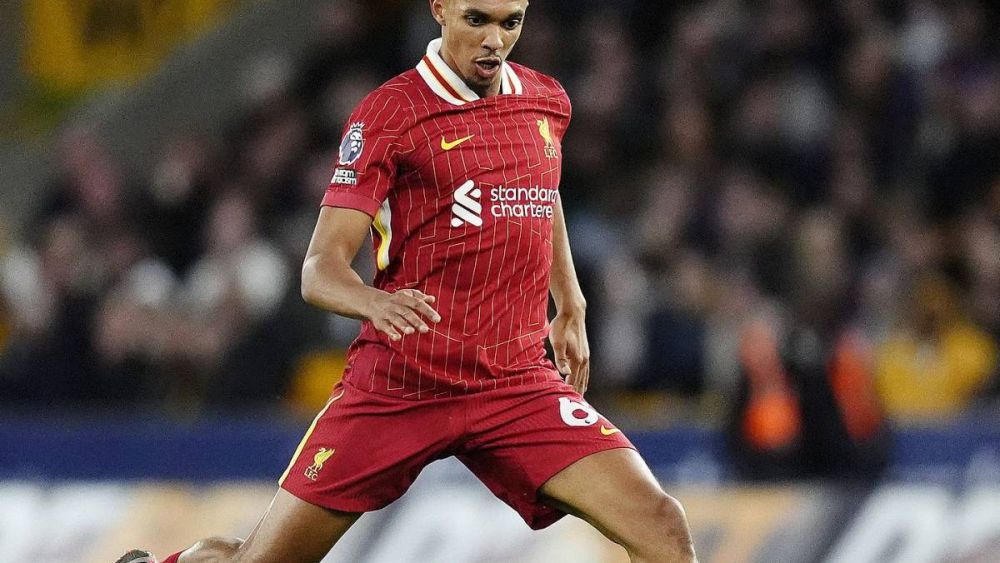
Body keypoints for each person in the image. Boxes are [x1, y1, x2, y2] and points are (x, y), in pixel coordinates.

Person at [119, 1, 697, 561]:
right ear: (439, 8)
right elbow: (319, 270)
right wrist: (375, 302)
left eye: (510, 22)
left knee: (661, 527)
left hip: (515, 381)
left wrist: (570, 298)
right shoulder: (391, 114)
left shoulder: (546, 101)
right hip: (403, 382)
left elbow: (540, 193)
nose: (494, 40)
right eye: (477, 20)